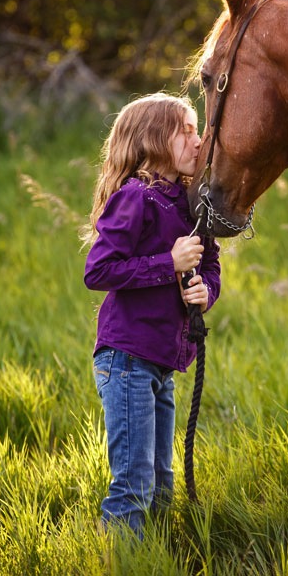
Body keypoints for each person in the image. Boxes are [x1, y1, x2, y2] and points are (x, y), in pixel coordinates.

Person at [81, 92, 221, 538]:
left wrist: (205, 289)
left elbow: (211, 263)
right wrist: (169, 264)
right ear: (152, 139)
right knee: (134, 485)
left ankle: (153, 557)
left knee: (162, 484)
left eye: (197, 130)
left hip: (162, 362)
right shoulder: (135, 198)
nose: (198, 142)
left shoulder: (190, 203)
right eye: (186, 130)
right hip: (127, 361)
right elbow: (99, 270)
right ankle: (121, 559)